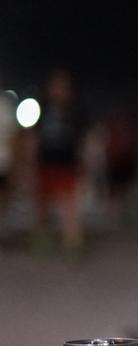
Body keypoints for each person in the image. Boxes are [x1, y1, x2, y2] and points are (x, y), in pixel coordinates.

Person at [33, 69, 86, 255]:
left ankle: (72, 243)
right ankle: (41, 240)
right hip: (46, 162)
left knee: (69, 205)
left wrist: (84, 163)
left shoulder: (75, 111)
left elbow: (81, 140)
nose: (57, 91)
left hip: (67, 163)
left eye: (62, 87)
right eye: (54, 86)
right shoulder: (42, 109)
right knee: (43, 204)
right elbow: (35, 137)